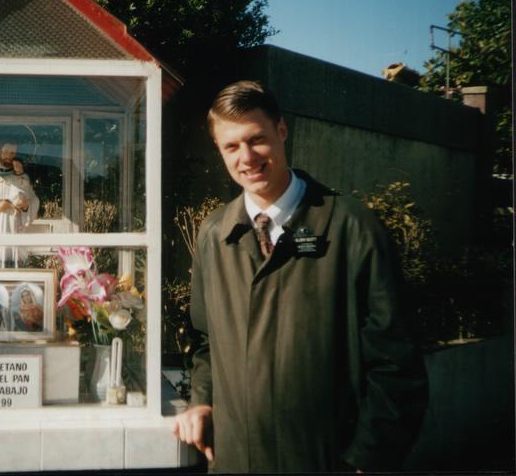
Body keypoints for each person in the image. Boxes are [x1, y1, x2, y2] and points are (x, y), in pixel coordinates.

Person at [172, 81, 427, 473]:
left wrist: (365, 462)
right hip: (235, 462)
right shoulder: (214, 234)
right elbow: (206, 342)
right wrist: (202, 400)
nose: (247, 157)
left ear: (282, 130)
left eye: (257, 139)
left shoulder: (352, 228)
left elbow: (397, 365)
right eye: (231, 146)